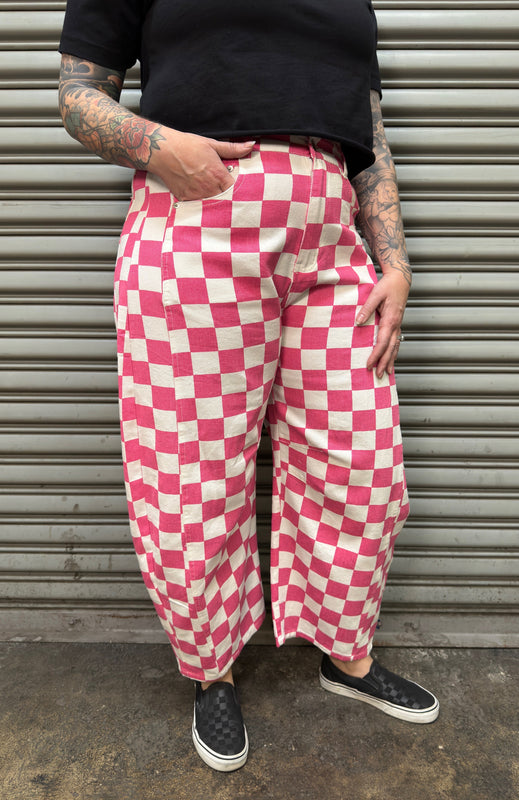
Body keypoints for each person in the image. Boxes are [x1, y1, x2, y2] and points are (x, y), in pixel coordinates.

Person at [58, 0, 439, 773]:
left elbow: (366, 131)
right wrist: (162, 148)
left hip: (330, 234)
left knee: (361, 461)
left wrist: (393, 258)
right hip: (196, 217)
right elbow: (76, 96)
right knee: (191, 471)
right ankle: (213, 669)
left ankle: (345, 654)